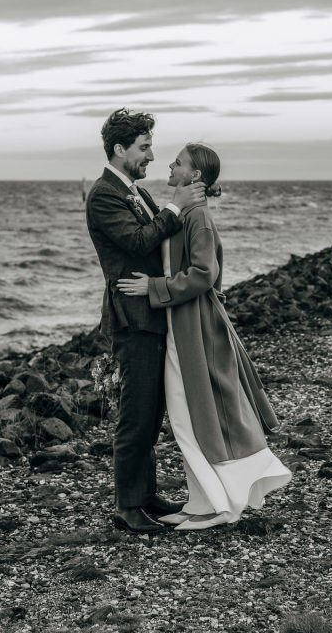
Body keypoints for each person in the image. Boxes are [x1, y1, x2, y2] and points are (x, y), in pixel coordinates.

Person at [117, 143, 291, 530]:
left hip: (194, 326)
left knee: (194, 417)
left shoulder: (198, 218)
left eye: (177, 163)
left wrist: (153, 287)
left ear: (195, 176)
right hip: (181, 326)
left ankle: (219, 505)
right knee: (185, 417)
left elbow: (203, 275)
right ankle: (201, 502)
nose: (170, 165)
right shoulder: (185, 213)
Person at [85, 108, 206, 534]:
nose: (151, 156)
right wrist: (175, 206)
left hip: (150, 311)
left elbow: (160, 240)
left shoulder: (134, 191)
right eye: (144, 147)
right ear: (120, 149)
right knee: (135, 414)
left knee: (152, 412)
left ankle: (146, 494)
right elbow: (138, 240)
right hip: (131, 317)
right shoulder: (104, 194)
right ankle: (127, 506)